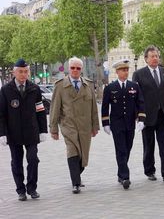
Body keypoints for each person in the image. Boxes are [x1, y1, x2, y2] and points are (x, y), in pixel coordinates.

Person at [49, 57, 99, 194]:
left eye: (78, 68)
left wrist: (95, 126)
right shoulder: (60, 86)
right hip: (68, 125)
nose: (75, 70)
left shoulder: (88, 84)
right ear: (68, 69)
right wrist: (53, 129)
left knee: (83, 156)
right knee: (73, 151)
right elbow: (54, 108)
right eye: (72, 68)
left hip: (85, 127)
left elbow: (94, 108)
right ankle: (75, 183)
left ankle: (77, 175)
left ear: (81, 70)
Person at [0, 59, 47, 201]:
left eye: (26, 71)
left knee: (33, 159)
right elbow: (1, 114)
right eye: (20, 71)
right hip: (13, 133)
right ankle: (20, 189)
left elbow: (40, 110)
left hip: (31, 131)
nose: (23, 74)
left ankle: (32, 188)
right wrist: (2, 133)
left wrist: (43, 130)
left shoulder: (34, 89)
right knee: (16, 161)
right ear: (14, 72)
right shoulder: (6, 90)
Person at [132, 46, 164, 182]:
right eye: (152, 56)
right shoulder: (139, 75)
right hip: (147, 116)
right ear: (146, 59)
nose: (155, 58)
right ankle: (150, 170)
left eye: (157, 56)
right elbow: (136, 97)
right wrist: (138, 116)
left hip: (163, 115)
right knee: (149, 144)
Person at [101, 59, 146, 189]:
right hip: (117, 123)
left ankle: (120, 173)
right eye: (122, 70)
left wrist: (141, 119)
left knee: (127, 148)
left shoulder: (134, 86)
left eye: (127, 70)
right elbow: (105, 106)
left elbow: (140, 103)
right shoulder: (110, 88)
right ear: (117, 72)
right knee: (121, 150)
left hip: (130, 123)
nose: (125, 72)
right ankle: (125, 177)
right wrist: (105, 123)